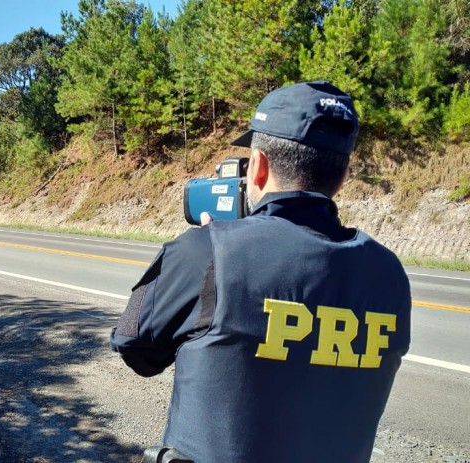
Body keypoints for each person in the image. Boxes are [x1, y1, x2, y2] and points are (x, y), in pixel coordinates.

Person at [110, 81, 411, 463]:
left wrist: (200, 250)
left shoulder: (208, 251)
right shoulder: (389, 273)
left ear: (258, 167)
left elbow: (134, 346)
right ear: (344, 174)